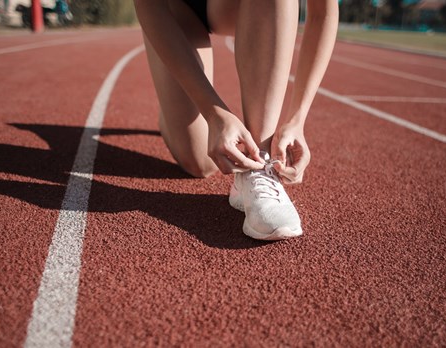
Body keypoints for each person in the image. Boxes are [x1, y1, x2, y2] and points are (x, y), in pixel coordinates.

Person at [134, 0, 338, 240]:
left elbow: (322, 12)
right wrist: (213, 112)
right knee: (200, 163)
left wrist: (298, 118)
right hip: (177, 6)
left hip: (236, 6)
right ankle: (169, 117)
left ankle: (259, 163)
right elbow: (147, 5)